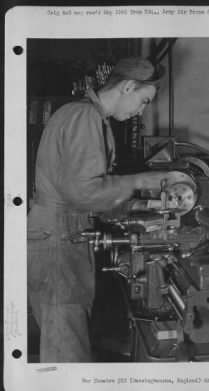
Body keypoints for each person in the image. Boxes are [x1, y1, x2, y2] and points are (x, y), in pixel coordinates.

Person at [27, 57, 167, 362]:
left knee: (66, 339)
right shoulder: (84, 117)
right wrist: (142, 180)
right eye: (143, 100)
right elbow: (83, 192)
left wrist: (140, 206)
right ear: (128, 86)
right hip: (58, 239)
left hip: (62, 232)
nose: (141, 111)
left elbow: (87, 188)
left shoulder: (84, 115)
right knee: (67, 351)